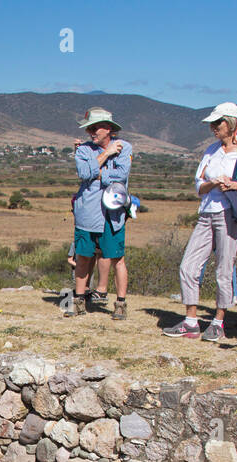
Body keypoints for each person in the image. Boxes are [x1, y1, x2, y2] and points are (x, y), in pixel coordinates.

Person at [166, 103, 237, 342]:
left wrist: (233, 185)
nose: (213, 128)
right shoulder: (211, 150)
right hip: (207, 212)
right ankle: (191, 320)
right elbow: (199, 185)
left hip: (230, 214)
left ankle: (219, 321)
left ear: (231, 124)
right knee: (188, 265)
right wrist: (214, 183)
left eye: (218, 123)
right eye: (213, 123)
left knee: (224, 267)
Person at [68, 107, 132, 320]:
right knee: (83, 257)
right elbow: (83, 173)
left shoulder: (125, 147)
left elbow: (121, 176)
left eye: (95, 128)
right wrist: (107, 154)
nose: (91, 132)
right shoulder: (84, 150)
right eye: (89, 129)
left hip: (112, 214)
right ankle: (78, 301)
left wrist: (97, 174)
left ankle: (120, 304)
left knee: (117, 258)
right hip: (87, 212)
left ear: (109, 129)